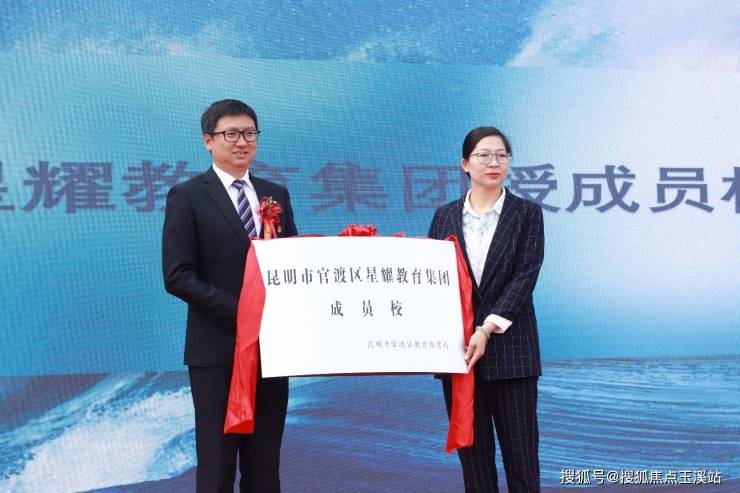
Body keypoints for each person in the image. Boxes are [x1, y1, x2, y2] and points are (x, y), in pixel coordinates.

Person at [163, 99, 298, 492]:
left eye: (250, 133)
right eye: (231, 134)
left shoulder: (275, 194)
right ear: (208, 140)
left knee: (264, 466)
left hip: (270, 353)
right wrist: (241, 312)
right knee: (217, 465)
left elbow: (292, 264)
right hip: (216, 352)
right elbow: (177, 275)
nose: (242, 142)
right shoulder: (187, 195)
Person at [427, 127, 544, 493]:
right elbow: (433, 281)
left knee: (522, 465)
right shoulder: (444, 216)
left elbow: (525, 276)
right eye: (483, 155)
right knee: (475, 467)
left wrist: (486, 328)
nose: (494, 162)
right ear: (465, 164)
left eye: (501, 155)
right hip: (460, 356)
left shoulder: (527, 214)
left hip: (512, 355)